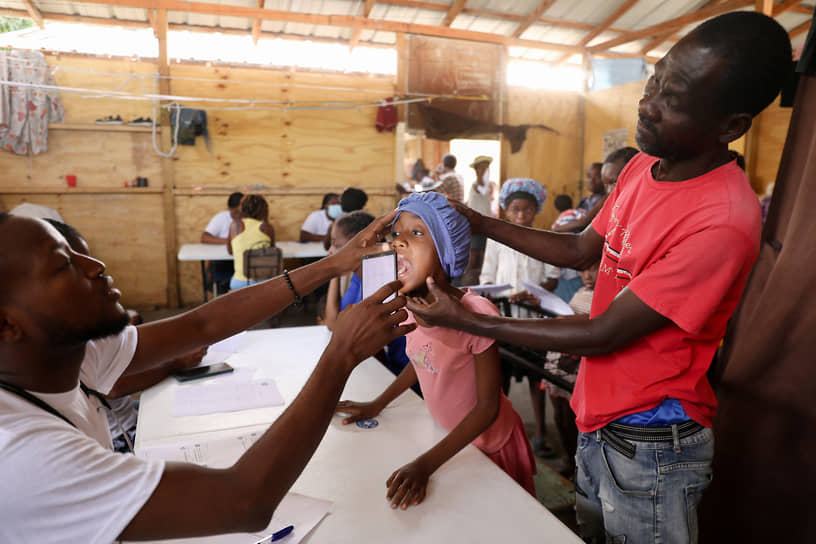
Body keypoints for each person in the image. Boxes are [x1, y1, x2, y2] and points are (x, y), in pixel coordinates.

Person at [404, 12, 790, 543]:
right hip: (598, 413)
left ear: (730, 127)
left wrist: (468, 322)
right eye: (654, 81)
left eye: (672, 100)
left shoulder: (722, 218)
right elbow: (580, 248)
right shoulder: (643, 167)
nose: (647, 103)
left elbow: (602, 332)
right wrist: (479, 221)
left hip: (653, 438)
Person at [0, 209, 411, 542]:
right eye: (63, 265)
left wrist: (332, 265)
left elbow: (202, 326)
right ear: (6, 326)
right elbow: (244, 501)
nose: (95, 267)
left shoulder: (64, 351)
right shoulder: (22, 456)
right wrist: (340, 355)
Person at [336, 192, 536, 510]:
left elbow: (487, 409)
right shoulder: (414, 304)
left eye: (416, 233)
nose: (399, 242)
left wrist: (425, 465)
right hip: (449, 440)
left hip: (489, 446)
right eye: (396, 234)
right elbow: (421, 359)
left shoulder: (475, 313)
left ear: (447, 250)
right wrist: (377, 404)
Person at [44, 218, 209, 453]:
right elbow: (112, 388)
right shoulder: (66, 344)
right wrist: (176, 363)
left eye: (90, 257)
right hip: (121, 436)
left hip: (129, 413)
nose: (98, 267)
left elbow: (202, 324)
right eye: (72, 266)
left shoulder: (82, 331)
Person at [479, 178, 559, 458]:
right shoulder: (497, 242)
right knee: (502, 378)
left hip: (534, 319)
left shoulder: (544, 239)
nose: (521, 216)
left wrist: (532, 293)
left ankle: (540, 431)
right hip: (504, 319)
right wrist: (490, 296)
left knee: (537, 378)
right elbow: (487, 276)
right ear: (506, 210)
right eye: (515, 210)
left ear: (536, 210)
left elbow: (552, 277)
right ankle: (502, 430)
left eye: (527, 210)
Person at [324, 211, 410, 377]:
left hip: (400, 377)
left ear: (359, 244)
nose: (330, 251)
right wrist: (334, 271)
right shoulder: (358, 277)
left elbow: (336, 327)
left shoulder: (386, 280)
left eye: (335, 244)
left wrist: (334, 266)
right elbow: (333, 323)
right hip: (381, 371)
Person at [540, 261, 599, 478]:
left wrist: (569, 319)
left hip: (578, 364)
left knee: (577, 417)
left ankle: (581, 465)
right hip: (561, 360)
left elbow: (598, 320)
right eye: (583, 270)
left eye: (593, 268)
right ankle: (568, 457)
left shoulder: (609, 296)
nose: (587, 275)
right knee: (560, 413)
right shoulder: (581, 291)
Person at [552, 146, 639, 235]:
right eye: (606, 183)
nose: (609, 190)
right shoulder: (586, 201)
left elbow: (583, 223)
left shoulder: (605, 200)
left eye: (614, 183)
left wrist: (556, 229)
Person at [227, 194, 275, 291]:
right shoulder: (267, 227)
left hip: (239, 282)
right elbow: (271, 252)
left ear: (242, 208)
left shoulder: (235, 225)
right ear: (264, 210)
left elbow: (230, 250)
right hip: (263, 281)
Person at [461, 155, 496, 284]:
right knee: (473, 257)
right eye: (482, 168)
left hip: (485, 226)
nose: (486, 171)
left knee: (482, 257)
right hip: (476, 226)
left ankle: (478, 285)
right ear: (477, 171)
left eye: (487, 168)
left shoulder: (486, 187)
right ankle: (466, 285)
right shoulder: (478, 186)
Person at [201, 191, 244, 295]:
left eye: (241, 211)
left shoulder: (248, 218)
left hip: (242, 260)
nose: (239, 215)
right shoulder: (222, 217)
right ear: (229, 208)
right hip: (223, 262)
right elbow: (204, 237)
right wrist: (229, 241)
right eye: (236, 212)